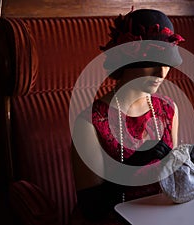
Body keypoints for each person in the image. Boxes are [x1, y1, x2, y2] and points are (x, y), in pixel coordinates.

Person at [71, 8, 185, 223]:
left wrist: (186, 164)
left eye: (167, 63)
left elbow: (171, 184)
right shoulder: (89, 124)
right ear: (127, 59)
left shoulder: (169, 110)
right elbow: (91, 208)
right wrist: (133, 165)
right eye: (151, 62)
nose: (161, 73)